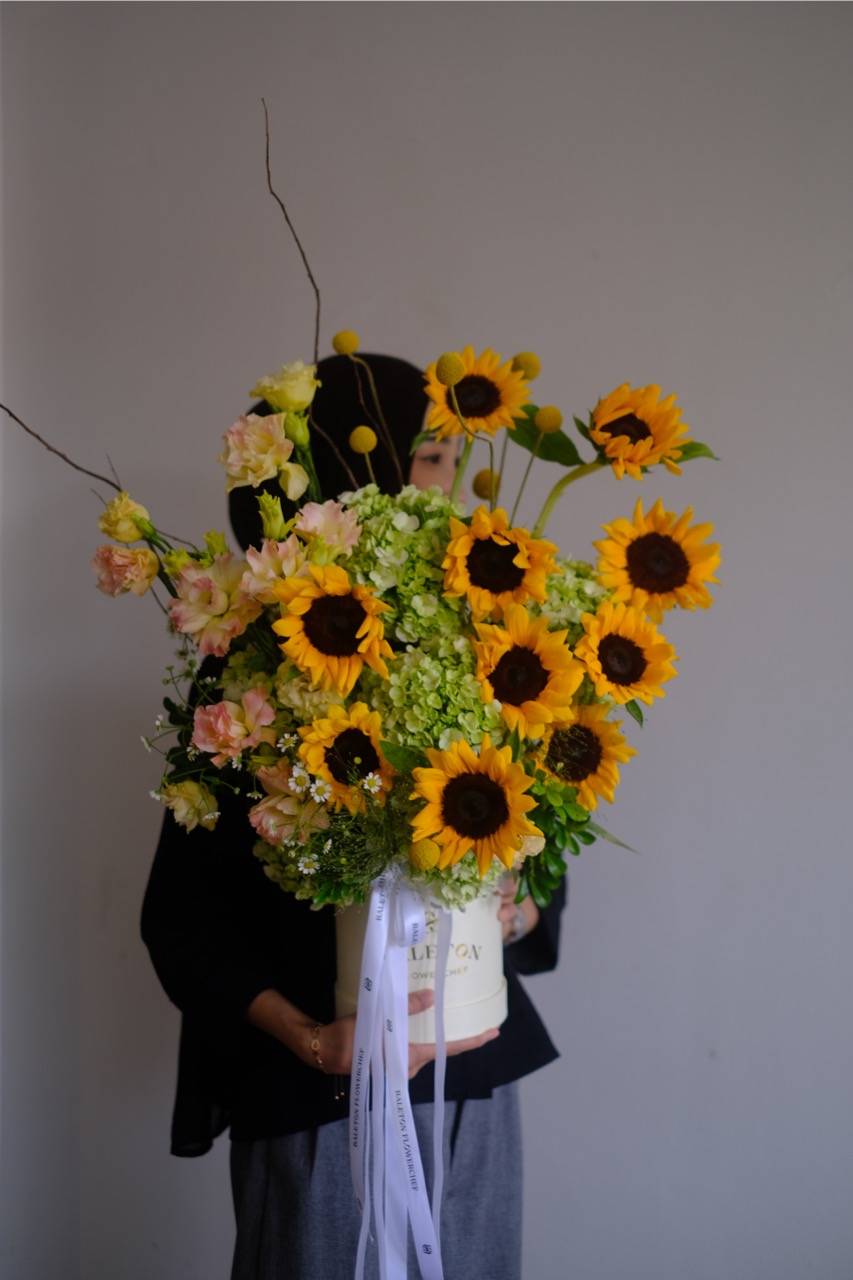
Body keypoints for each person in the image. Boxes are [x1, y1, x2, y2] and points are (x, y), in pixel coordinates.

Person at [140, 352, 567, 1279]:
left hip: (474, 1082)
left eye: (450, 460)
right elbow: (181, 924)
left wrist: (513, 907)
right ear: (351, 475)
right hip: (316, 1095)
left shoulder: (483, 642)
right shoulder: (254, 666)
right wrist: (313, 1041)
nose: (446, 486)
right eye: (429, 459)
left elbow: (540, 872)